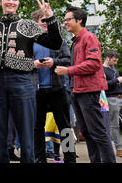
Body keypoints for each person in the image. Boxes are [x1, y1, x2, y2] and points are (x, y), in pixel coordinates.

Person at [0, 0, 63, 163]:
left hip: (21, 81)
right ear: (1, 2)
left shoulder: (28, 25)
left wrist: (50, 17)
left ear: (18, 3)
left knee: (26, 130)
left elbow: (54, 43)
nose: (11, 2)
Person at [55, 5, 116, 163]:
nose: (65, 23)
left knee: (98, 132)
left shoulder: (89, 37)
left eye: (68, 19)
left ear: (79, 20)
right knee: (88, 133)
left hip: (89, 92)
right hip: (78, 91)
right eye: (64, 20)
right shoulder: (76, 40)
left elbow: (94, 64)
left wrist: (69, 70)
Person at [31, 9, 77, 163]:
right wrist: (33, 64)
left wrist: (54, 62)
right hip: (36, 91)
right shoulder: (29, 42)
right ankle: (40, 158)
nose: (45, 24)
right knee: (37, 126)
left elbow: (68, 60)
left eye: (47, 20)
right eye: (42, 21)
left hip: (58, 89)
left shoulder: (59, 41)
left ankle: (70, 157)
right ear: (36, 23)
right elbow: (22, 64)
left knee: (64, 125)